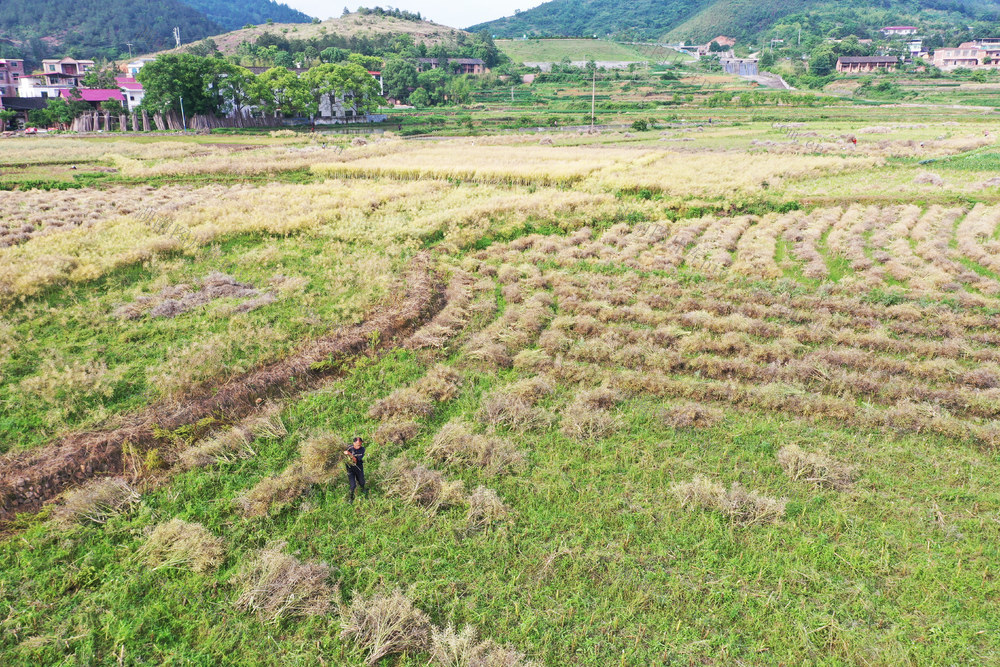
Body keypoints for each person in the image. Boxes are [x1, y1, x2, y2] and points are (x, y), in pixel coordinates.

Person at [344, 436, 366, 502]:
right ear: (353, 443)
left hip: (359, 467)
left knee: (361, 481)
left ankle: (363, 489)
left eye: (360, 444)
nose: (358, 446)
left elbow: (355, 460)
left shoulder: (362, 449)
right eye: (357, 445)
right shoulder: (349, 448)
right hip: (350, 469)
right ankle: (351, 497)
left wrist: (349, 454)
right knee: (353, 485)